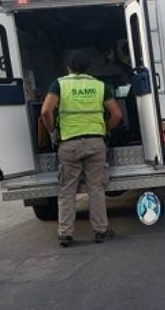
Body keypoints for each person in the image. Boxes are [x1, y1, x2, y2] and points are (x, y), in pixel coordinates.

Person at [41, 51, 123, 247]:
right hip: (96, 143)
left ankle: (65, 234)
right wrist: (104, 130)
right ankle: (101, 231)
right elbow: (117, 115)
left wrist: (53, 132)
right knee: (96, 188)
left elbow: (45, 111)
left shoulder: (59, 85)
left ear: (68, 67)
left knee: (67, 190)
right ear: (89, 67)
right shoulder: (100, 86)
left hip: (69, 144)